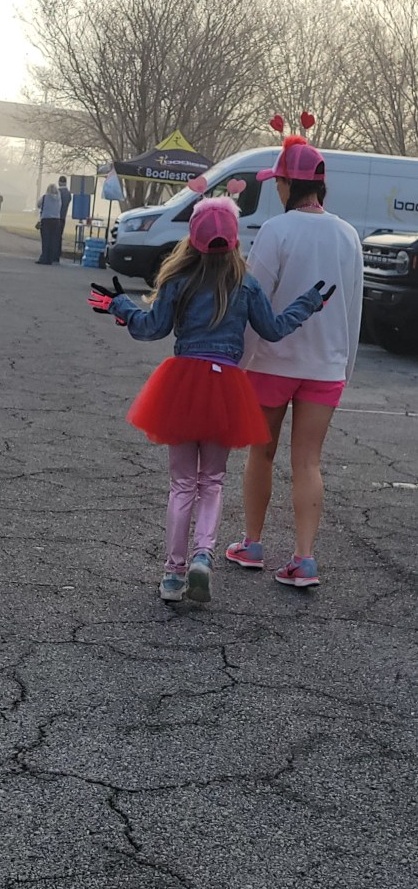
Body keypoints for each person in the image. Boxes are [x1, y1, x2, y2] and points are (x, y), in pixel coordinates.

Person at [87, 195, 334, 603]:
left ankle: (173, 574)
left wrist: (121, 306)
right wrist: (307, 304)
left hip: (183, 384)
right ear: (235, 241)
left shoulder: (178, 280)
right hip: (225, 388)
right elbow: (273, 330)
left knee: (182, 484)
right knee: (213, 482)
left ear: (193, 239)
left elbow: (151, 329)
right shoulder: (245, 283)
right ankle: (203, 555)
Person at [226, 135, 363, 587]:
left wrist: (240, 359)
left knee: (261, 453)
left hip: (271, 362)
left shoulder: (276, 230)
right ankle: (304, 559)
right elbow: (354, 308)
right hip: (326, 366)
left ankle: (252, 543)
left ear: (288, 184)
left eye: (278, 182)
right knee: (308, 462)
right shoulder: (348, 235)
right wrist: (344, 366)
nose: (276, 188)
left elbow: (254, 299)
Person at [36, 183, 61, 265]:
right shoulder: (58, 199)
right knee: (53, 240)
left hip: (46, 220)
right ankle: (50, 258)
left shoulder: (44, 197)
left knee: (45, 240)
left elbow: (38, 205)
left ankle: (44, 257)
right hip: (56, 220)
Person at [54, 175, 72, 263]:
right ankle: (58, 254)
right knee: (59, 236)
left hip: (56, 217)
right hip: (63, 217)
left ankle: (53, 254)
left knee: (54, 236)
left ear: (59, 182)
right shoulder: (68, 194)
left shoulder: (56, 192)